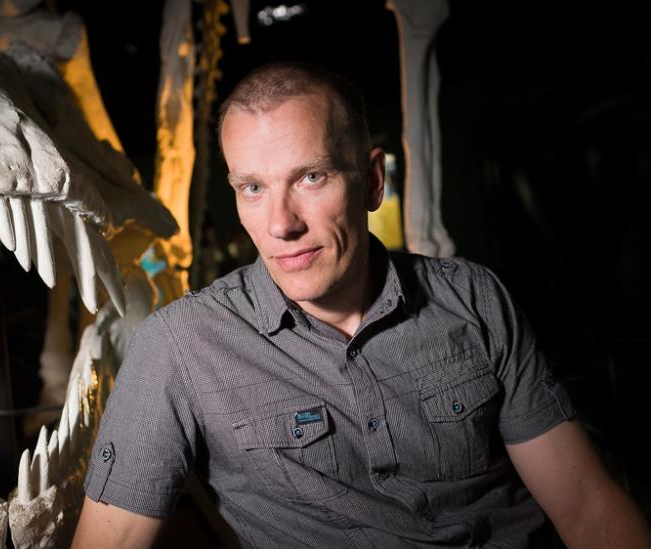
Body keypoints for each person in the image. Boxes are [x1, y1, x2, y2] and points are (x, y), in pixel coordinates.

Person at [71, 62, 651, 548]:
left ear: (372, 181)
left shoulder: (474, 298)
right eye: (252, 187)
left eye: (312, 177)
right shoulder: (179, 346)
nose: (281, 224)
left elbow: (588, 509)